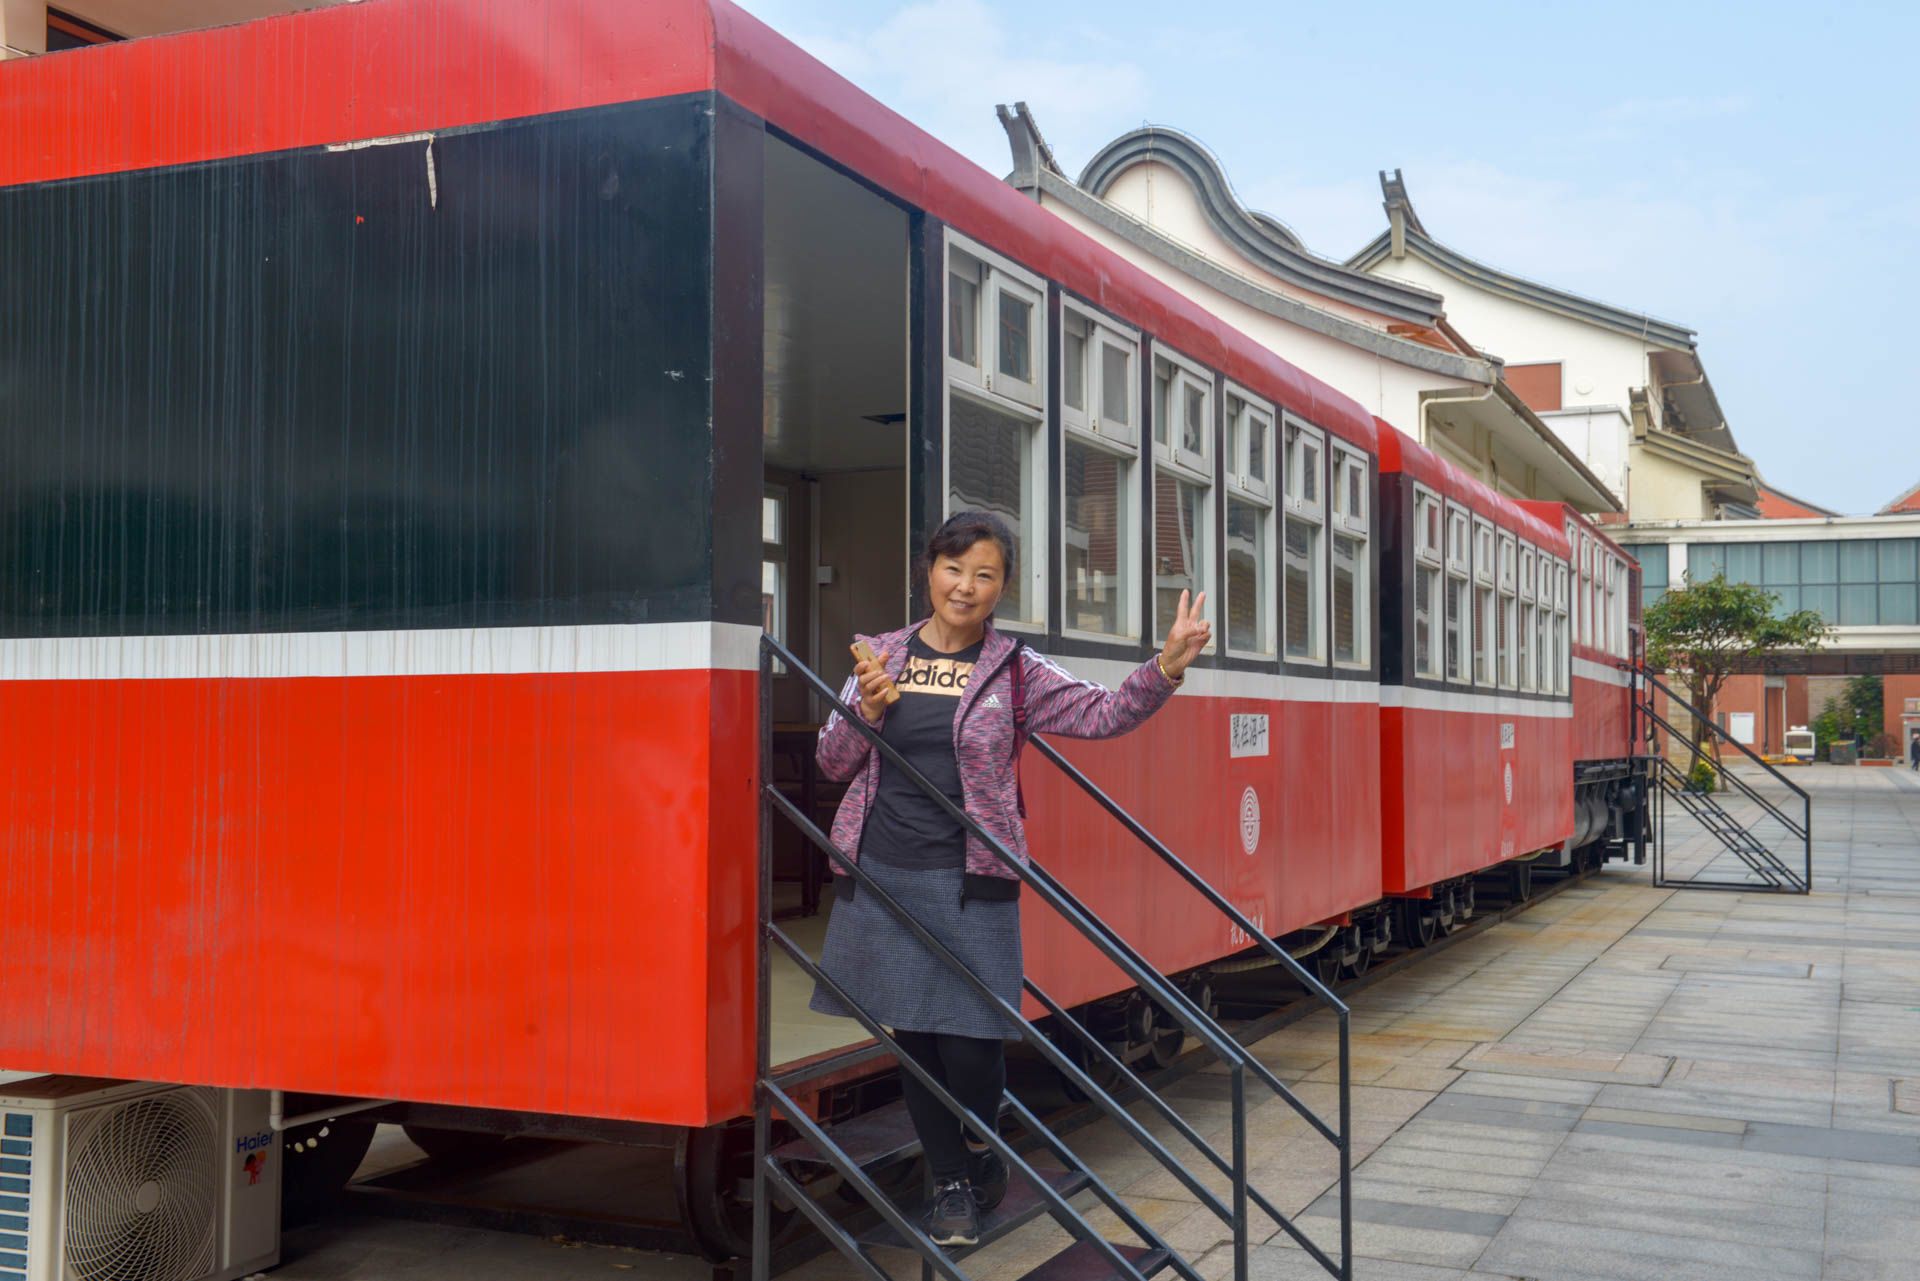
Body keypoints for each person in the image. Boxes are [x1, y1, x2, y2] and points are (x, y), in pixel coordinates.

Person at [811, 511, 1207, 1248]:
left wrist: (1167, 665)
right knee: (916, 1039)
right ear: (929, 571)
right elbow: (832, 762)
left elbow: (1104, 712)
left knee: (973, 1037)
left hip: (972, 875)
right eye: (953, 568)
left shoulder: (1015, 669)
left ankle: (982, 1144)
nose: (965, 585)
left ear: (1002, 587)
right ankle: (951, 1182)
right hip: (887, 870)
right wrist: (863, 711)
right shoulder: (882, 655)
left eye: (984, 573)